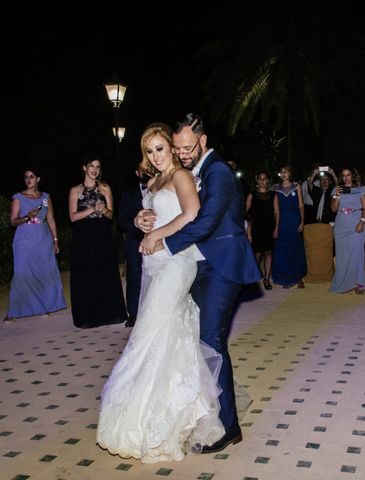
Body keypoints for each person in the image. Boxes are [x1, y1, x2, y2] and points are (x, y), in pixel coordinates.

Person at [98, 122, 226, 462]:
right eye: (150, 151)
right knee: (161, 333)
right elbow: (152, 215)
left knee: (148, 331)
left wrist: (160, 236)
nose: (156, 156)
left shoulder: (182, 177)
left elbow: (192, 214)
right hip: (154, 265)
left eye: (161, 148)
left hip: (176, 262)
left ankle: (151, 420)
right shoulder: (153, 181)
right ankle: (171, 408)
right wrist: (142, 221)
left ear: (172, 148)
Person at [137, 114, 261, 453]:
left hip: (222, 265)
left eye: (187, 147)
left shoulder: (218, 171)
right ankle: (206, 411)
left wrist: (163, 240)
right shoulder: (192, 172)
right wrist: (146, 218)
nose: (182, 152)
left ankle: (229, 426)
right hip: (198, 266)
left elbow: (204, 221)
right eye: (177, 147)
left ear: (203, 140)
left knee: (211, 340)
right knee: (197, 339)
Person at [68, 156, 127, 328]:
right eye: (91, 166)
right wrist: (91, 209)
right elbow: (72, 217)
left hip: (102, 234)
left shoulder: (105, 189)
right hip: (83, 236)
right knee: (86, 273)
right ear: (84, 168)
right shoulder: (75, 191)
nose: (95, 169)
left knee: (105, 272)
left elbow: (110, 215)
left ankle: (109, 313)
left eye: (98, 167)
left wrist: (104, 210)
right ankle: (88, 316)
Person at [4, 169, 66, 322]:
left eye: (31, 177)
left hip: (43, 239)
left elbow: (51, 220)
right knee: (21, 273)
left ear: (38, 178)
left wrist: (55, 240)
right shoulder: (18, 198)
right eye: (26, 177)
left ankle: (44, 306)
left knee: (43, 272)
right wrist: (27, 217)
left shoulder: (45, 197)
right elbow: (13, 221)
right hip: (24, 240)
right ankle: (15, 310)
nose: (28, 180)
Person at [118, 164, 150, 328]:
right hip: (134, 241)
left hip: (157, 241)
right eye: (142, 169)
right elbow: (121, 220)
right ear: (137, 173)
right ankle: (133, 314)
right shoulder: (128, 193)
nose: (145, 172)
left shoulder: (160, 189)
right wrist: (137, 222)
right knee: (134, 278)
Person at [330, 166, 365, 294]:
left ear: (352, 176)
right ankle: (343, 282)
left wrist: (362, 222)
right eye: (344, 175)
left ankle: (358, 283)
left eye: (348, 175)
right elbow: (333, 209)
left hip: (357, 224)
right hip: (341, 225)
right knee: (342, 256)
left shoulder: (360, 189)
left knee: (357, 254)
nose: (346, 178)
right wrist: (336, 196)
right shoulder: (337, 189)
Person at [271, 165, 308, 288]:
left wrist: (302, 222)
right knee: (283, 252)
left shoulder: (297, 186)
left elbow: (301, 206)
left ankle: (298, 278)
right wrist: (276, 228)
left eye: (286, 171)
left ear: (290, 173)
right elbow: (276, 212)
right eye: (282, 171)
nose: (284, 173)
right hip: (283, 224)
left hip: (295, 223)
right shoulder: (276, 189)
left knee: (296, 249)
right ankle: (286, 278)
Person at [246, 171, 278, 290]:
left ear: (268, 181)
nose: (262, 181)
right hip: (256, 228)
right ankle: (253, 277)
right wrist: (248, 231)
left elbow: (277, 213)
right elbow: (246, 213)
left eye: (264, 179)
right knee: (258, 254)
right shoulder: (252, 195)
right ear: (257, 181)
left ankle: (266, 279)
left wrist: (276, 228)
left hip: (269, 227)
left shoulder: (273, 195)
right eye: (260, 179)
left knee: (269, 252)